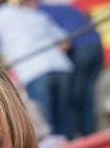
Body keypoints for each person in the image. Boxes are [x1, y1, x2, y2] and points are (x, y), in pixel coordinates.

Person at [0, 0, 74, 139]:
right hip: (61, 66)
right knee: (66, 124)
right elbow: (65, 43)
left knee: (47, 130)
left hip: (33, 71)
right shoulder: (32, 13)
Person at [39, 1, 104, 136]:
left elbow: (63, 42)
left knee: (75, 98)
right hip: (96, 46)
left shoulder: (40, 13)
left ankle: (84, 136)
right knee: (88, 97)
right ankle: (91, 133)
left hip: (80, 49)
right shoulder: (64, 8)